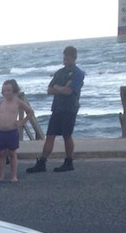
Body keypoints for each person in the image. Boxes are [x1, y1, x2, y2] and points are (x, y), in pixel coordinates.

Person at [26, 45, 85, 173]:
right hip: (57, 108)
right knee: (50, 135)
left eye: (68, 59)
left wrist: (59, 88)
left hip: (70, 108)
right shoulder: (60, 72)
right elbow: (49, 90)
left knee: (67, 135)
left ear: (74, 58)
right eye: (64, 59)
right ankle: (42, 162)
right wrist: (61, 88)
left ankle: (69, 161)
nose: (66, 61)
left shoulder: (78, 74)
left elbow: (70, 91)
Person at [0, 79, 36, 182]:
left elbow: (30, 112)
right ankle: (1, 176)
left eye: (9, 90)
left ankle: (13, 176)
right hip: (1, 131)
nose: (6, 93)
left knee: (12, 153)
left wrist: (22, 122)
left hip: (12, 131)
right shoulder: (2, 102)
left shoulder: (18, 101)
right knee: (2, 154)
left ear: (14, 90)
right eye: (4, 91)